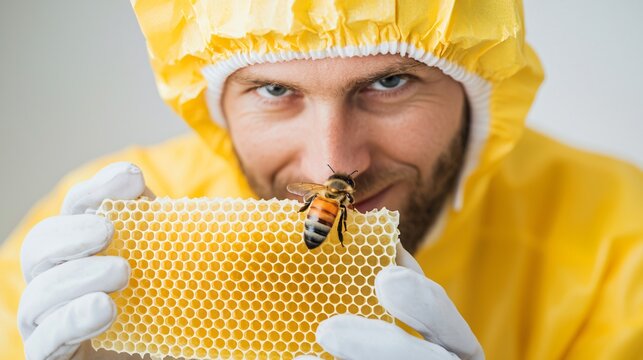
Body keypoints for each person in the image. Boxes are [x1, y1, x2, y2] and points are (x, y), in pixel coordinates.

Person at [1, 0, 642, 359]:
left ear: (479, 91)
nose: (332, 163)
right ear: (216, 105)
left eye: (389, 82)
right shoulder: (89, 245)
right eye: (275, 89)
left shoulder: (621, 248)